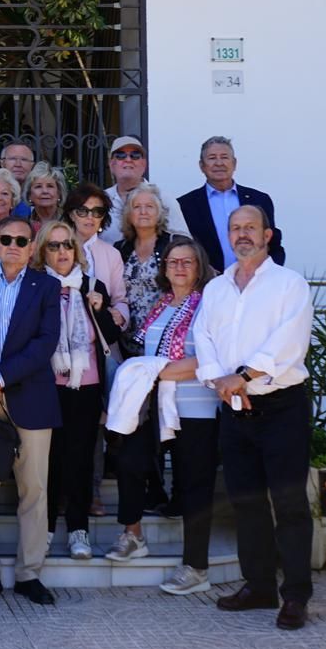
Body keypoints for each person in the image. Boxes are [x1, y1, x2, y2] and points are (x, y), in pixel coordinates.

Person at [195, 206, 315, 631]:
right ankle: (259, 586)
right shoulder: (217, 288)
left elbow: (289, 342)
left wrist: (241, 376)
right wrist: (221, 381)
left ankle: (296, 596)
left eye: (250, 227)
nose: (242, 234)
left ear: (268, 234)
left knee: (289, 503)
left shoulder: (289, 284)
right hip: (234, 409)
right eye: (235, 228)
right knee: (246, 502)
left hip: (281, 407)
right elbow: (203, 337)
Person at [104, 238, 220, 597]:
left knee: (194, 484)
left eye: (187, 262)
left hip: (196, 408)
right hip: (154, 404)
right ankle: (133, 534)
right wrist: (150, 374)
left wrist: (153, 372)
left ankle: (196, 565)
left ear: (199, 266)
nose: (180, 268)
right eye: (173, 263)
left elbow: (207, 360)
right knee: (130, 461)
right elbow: (148, 352)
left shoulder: (210, 306)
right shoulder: (162, 305)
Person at [0, 214, 61, 607]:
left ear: (32, 247)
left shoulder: (47, 287)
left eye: (22, 241)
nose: (14, 246)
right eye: (6, 239)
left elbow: (45, 342)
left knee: (34, 490)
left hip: (31, 399)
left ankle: (29, 574)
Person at [34, 218, 126, 560]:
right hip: (45, 387)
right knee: (47, 461)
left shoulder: (92, 284)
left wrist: (100, 308)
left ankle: (78, 530)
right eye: (54, 245)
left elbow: (110, 338)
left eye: (67, 245)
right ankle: (42, 530)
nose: (62, 252)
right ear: (43, 251)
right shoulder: (35, 286)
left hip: (85, 388)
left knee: (80, 460)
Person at [176, 136, 286, 272]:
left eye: (224, 157)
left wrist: (266, 274)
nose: (219, 163)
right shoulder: (185, 205)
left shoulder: (259, 200)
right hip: (206, 285)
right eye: (211, 158)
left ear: (234, 163)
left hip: (256, 282)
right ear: (201, 166)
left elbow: (273, 244)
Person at [117, 183, 190, 342]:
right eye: (137, 207)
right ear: (129, 215)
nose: (143, 212)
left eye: (149, 206)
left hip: (168, 341)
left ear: (159, 213)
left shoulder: (175, 244)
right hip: (126, 343)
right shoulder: (121, 249)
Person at [99, 136, 185, 245]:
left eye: (135, 155)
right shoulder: (101, 200)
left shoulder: (163, 199)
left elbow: (183, 241)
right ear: (111, 165)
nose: (128, 159)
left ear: (144, 164)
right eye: (120, 155)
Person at [64, 183, 127, 314]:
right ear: (71, 215)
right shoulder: (57, 247)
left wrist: (119, 316)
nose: (90, 217)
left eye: (97, 212)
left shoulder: (112, 254)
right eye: (82, 211)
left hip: (98, 326)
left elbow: (119, 300)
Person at [24, 161, 66, 233]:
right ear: (30, 195)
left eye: (50, 186)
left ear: (59, 193)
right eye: (38, 186)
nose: (45, 191)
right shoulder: (23, 226)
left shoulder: (71, 223)